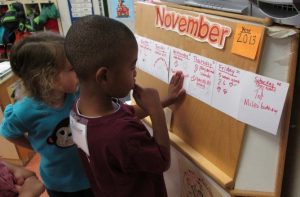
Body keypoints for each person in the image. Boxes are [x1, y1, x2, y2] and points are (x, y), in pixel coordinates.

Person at [65, 15, 186, 197]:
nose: (135, 72)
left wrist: (165, 100)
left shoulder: (80, 110)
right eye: (132, 67)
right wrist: (156, 112)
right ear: (104, 76)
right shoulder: (122, 134)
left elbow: (128, 113)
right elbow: (162, 161)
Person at [0, 32, 93, 197]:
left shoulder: (78, 93)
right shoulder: (24, 111)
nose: (78, 72)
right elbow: (8, 132)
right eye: (71, 69)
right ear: (47, 78)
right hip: (60, 184)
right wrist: (33, 145)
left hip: (92, 174)